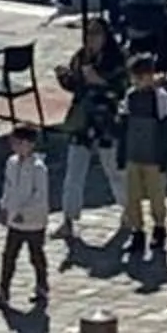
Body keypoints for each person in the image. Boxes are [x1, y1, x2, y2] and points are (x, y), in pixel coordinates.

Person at [56, 20, 127, 247]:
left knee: (114, 171)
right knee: (74, 172)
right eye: (88, 35)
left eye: (96, 35)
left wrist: (98, 80)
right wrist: (66, 77)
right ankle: (68, 219)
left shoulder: (115, 59)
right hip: (83, 121)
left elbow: (120, 89)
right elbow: (75, 85)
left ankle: (129, 213)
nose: (92, 40)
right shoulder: (81, 57)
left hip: (105, 121)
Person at [115, 55, 167, 260]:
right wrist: (121, 155)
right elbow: (124, 128)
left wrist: (163, 159)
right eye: (134, 78)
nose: (137, 83)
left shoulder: (160, 98)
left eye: (140, 78)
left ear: (150, 77)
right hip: (134, 154)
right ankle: (137, 232)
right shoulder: (130, 97)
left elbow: (166, 131)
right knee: (132, 197)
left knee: (156, 197)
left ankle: (159, 228)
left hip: (153, 156)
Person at [0, 122, 51, 309]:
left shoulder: (38, 168)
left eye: (18, 142)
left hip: (34, 222)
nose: (15, 146)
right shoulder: (11, 163)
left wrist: (23, 213)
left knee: (36, 255)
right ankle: (3, 291)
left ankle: (42, 286)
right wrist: (5, 207)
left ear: (30, 144)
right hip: (15, 221)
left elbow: (39, 196)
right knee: (8, 256)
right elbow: (8, 187)